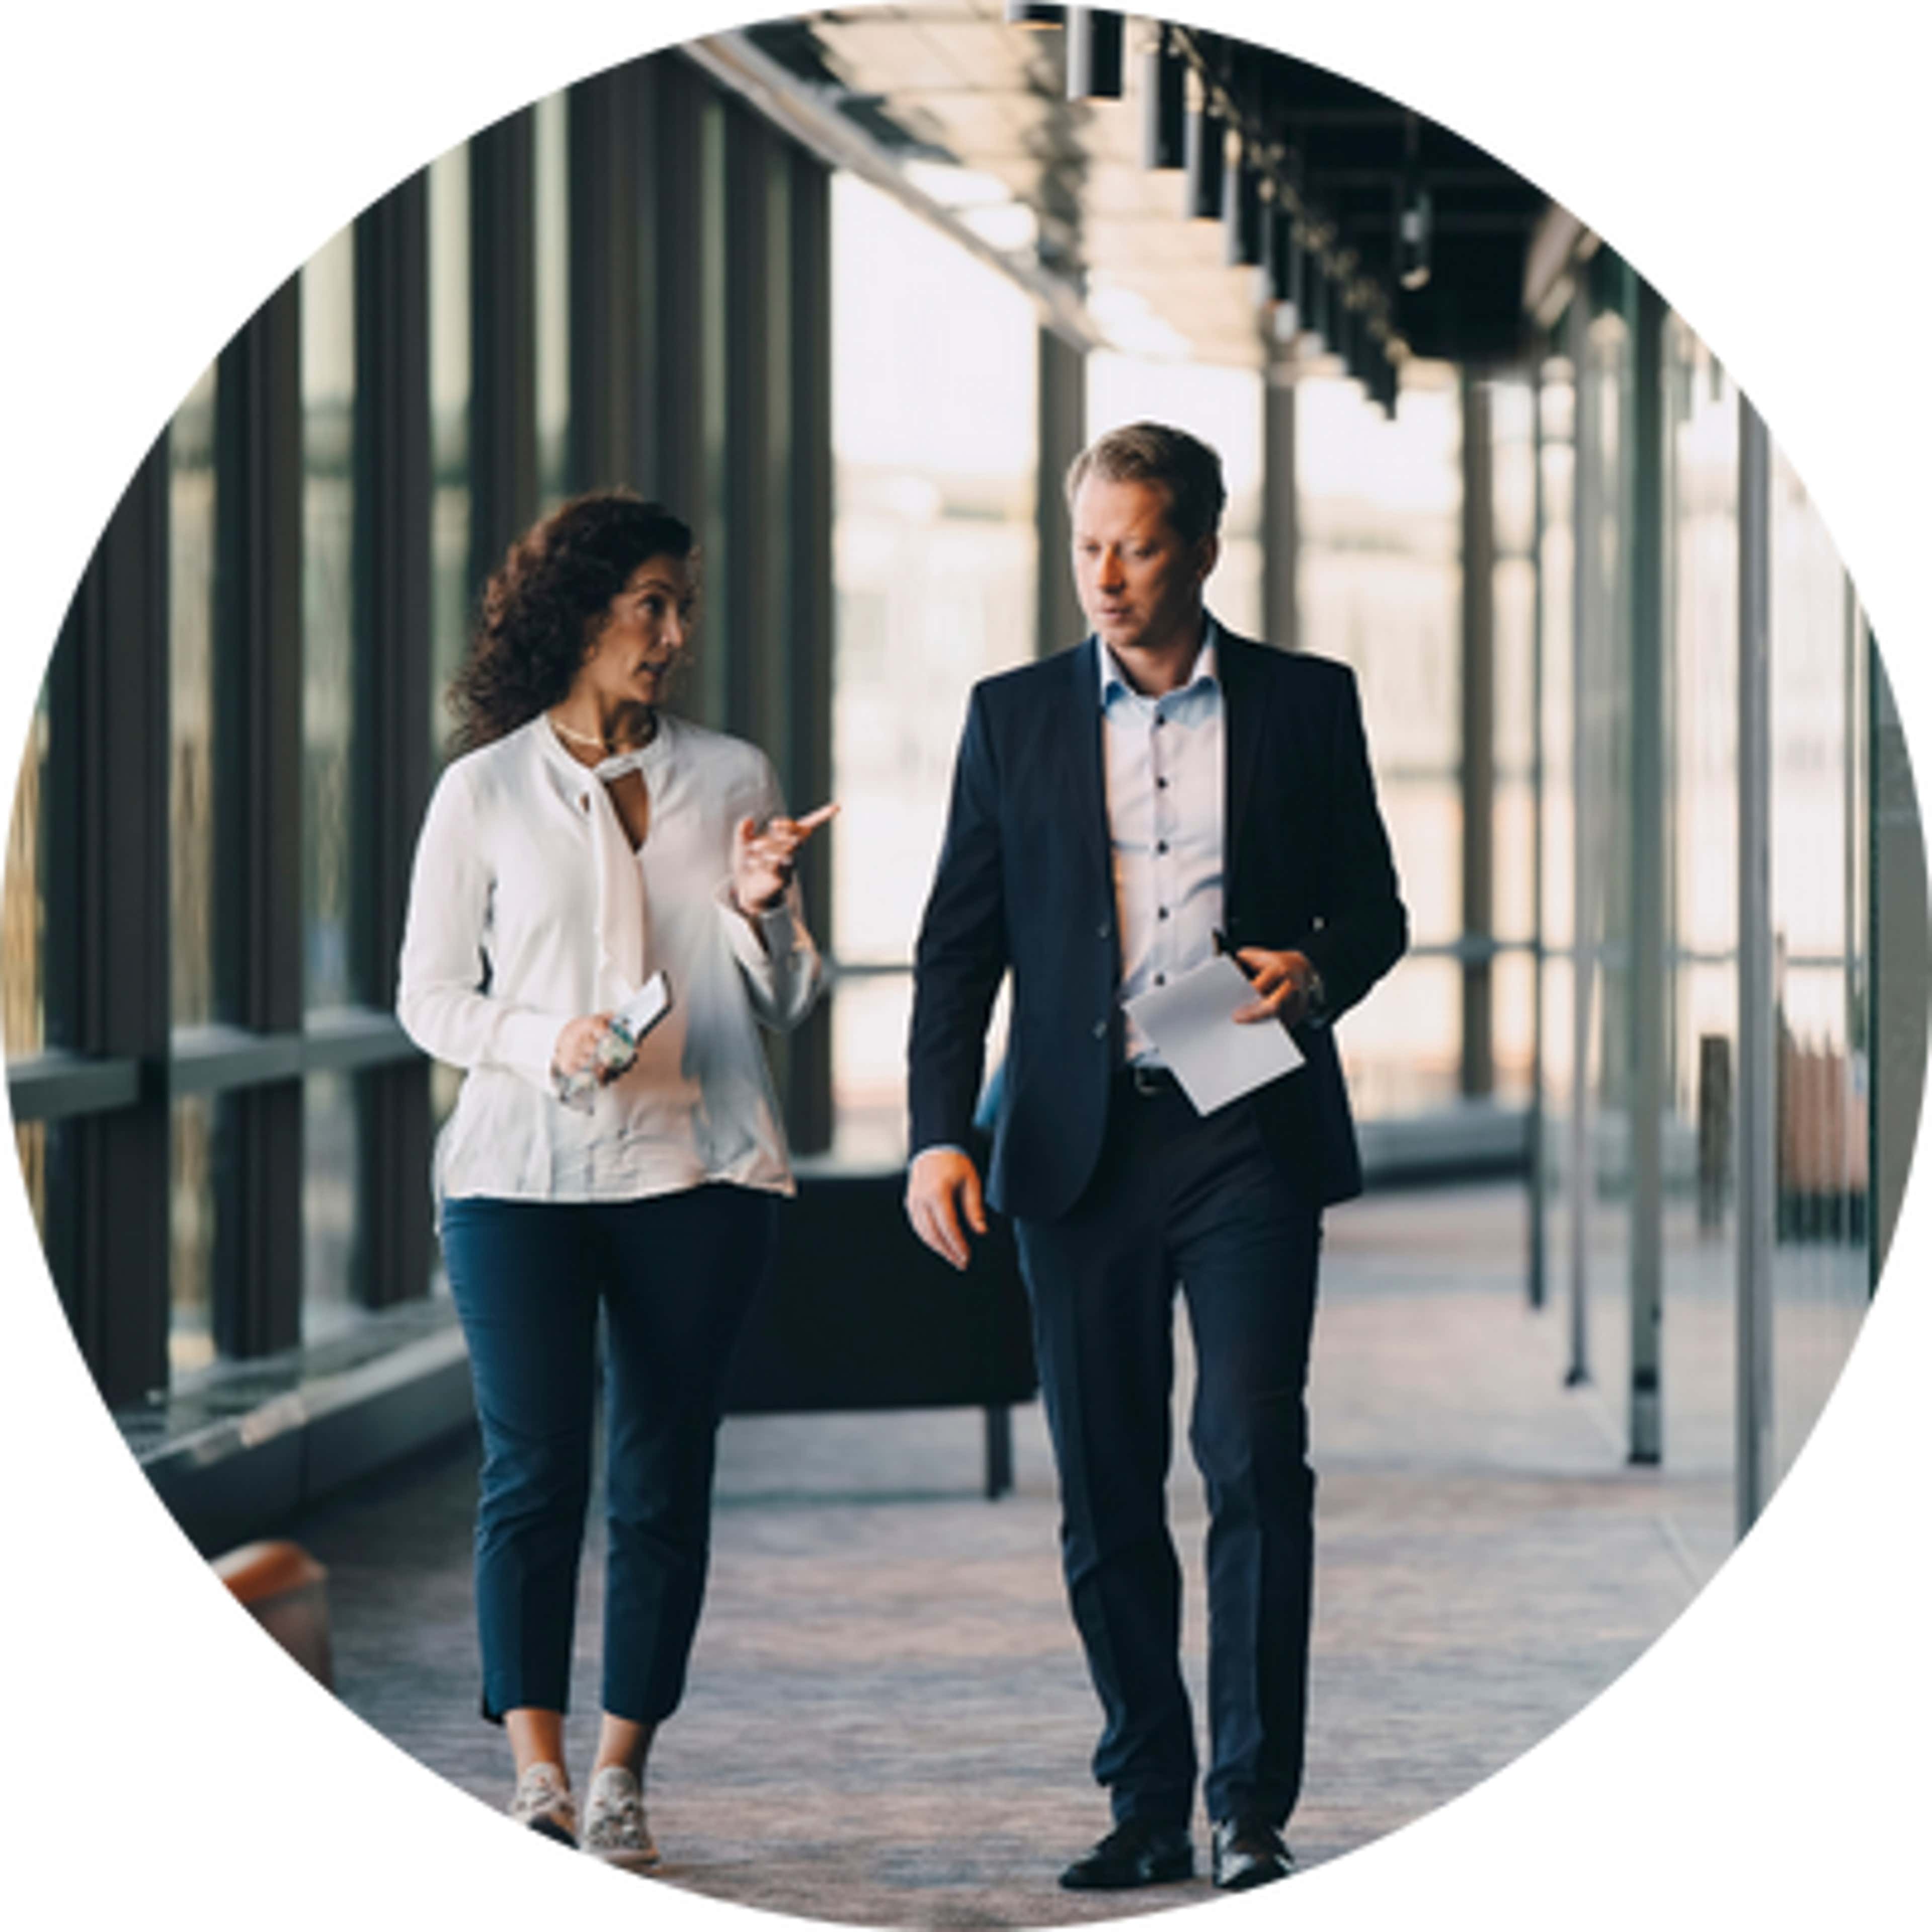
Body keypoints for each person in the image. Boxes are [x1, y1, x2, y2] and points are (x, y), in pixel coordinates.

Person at [905, 423, 1406, 1893]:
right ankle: (1145, 1797)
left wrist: (1314, 971)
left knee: (1254, 1455)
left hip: (1244, 1119)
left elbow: (1374, 909)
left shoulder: (1309, 706)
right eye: (1086, 547)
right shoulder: (1013, 720)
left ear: (1200, 545)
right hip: (1075, 1145)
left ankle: (1249, 1806)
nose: (1105, 578)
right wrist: (940, 1133)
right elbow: (956, 953)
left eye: (1134, 545)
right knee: (1106, 1485)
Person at [396, 491, 833, 1872]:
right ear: (578, 613)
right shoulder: (482, 789)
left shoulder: (735, 775)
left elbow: (794, 996)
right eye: (650, 602)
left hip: (694, 1170)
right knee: (533, 1471)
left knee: (662, 1477)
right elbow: (426, 996)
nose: (673, 630)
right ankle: (534, 1772)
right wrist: (542, 1040)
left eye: (680, 604)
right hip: (519, 1173)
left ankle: (625, 1769)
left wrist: (762, 915)